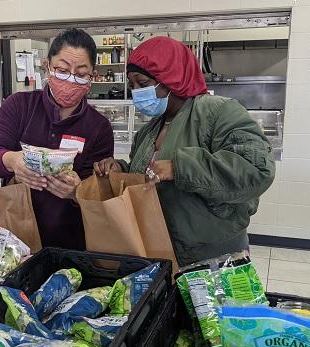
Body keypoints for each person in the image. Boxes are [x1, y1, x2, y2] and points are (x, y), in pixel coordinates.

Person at [95, 36, 275, 266]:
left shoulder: (216, 112)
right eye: (132, 85)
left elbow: (256, 169)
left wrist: (180, 167)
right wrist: (120, 169)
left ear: (170, 77)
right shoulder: (150, 129)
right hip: (159, 250)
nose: (136, 92)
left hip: (213, 256)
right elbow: (149, 175)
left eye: (142, 83)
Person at [0, 28, 114, 250]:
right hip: (14, 236)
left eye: (81, 74)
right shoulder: (19, 106)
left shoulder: (98, 127)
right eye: (62, 70)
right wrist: (13, 161)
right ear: (47, 66)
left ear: (93, 76)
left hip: (70, 240)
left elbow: (99, 192)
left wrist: (77, 191)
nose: (70, 79)